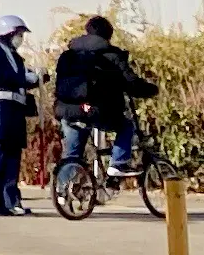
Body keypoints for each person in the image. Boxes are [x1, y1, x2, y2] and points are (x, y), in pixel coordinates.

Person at [51, 15, 143, 192]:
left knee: (72, 154)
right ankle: (118, 163)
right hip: (95, 111)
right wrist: (149, 90)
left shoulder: (67, 55)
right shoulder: (112, 54)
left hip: (67, 109)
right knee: (125, 126)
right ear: (108, 35)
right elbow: (130, 82)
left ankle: (62, 193)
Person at [0, 14, 38, 216]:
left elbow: (20, 79)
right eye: (19, 34)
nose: (21, 39)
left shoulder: (16, 58)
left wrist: (35, 78)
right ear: (9, 33)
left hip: (15, 112)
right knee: (0, 155)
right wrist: (22, 78)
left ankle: (12, 201)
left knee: (13, 157)